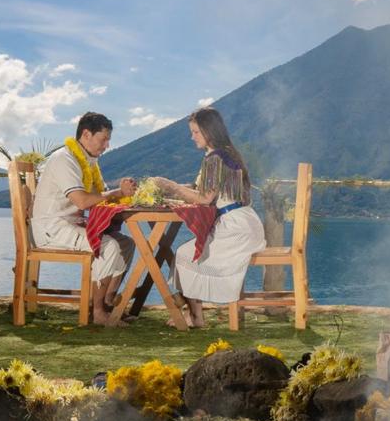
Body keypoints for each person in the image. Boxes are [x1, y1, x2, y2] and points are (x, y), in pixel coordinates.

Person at [151, 108, 265, 328]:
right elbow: (208, 192)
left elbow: (204, 198)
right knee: (188, 253)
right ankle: (188, 308)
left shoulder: (215, 158)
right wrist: (179, 190)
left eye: (195, 132)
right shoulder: (227, 153)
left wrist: (171, 186)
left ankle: (192, 313)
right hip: (245, 223)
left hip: (235, 230)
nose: (192, 137)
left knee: (186, 255)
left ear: (208, 131)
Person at [30, 112, 137, 325]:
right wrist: (117, 192)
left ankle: (107, 303)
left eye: (108, 140)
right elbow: (81, 200)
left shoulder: (89, 162)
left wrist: (121, 193)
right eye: (103, 139)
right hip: (52, 228)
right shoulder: (65, 159)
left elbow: (100, 193)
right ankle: (97, 313)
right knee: (108, 247)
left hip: (71, 225)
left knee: (126, 243)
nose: (106, 145)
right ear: (86, 134)